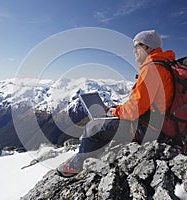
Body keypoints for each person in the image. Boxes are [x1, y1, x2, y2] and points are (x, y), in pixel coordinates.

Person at [57, 30, 175, 177]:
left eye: (137, 46)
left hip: (148, 128)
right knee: (103, 124)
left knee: (92, 126)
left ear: (148, 47)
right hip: (158, 122)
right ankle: (92, 156)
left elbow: (134, 110)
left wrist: (113, 112)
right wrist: (117, 110)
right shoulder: (163, 64)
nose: (134, 50)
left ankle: (76, 166)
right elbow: (141, 102)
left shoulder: (152, 69)